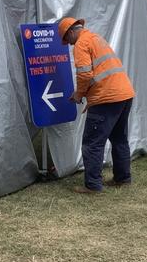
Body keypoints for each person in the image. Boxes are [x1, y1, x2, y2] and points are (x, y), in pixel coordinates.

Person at [57, 16, 135, 194]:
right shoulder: (96, 38)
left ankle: (93, 186)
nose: (68, 44)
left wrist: (79, 94)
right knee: (119, 139)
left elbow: (84, 75)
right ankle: (123, 178)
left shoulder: (81, 44)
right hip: (124, 94)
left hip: (106, 98)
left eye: (67, 39)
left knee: (92, 143)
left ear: (71, 32)